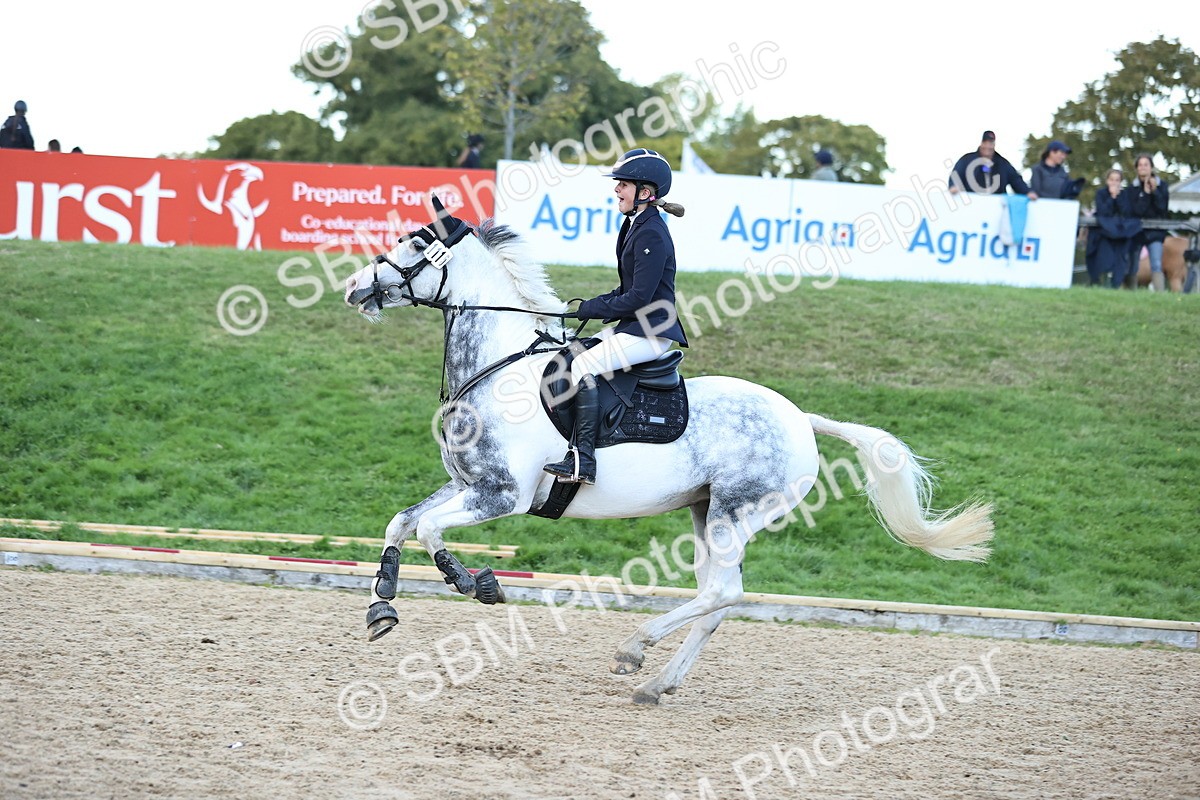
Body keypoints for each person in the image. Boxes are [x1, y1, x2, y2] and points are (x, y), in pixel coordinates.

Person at [543, 148, 688, 485]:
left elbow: (639, 297)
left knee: (584, 366)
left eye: (623, 184)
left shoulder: (651, 232)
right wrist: (591, 304)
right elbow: (628, 288)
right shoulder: (635, 224)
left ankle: (584, 460)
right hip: (634, 326)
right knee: (574, 352)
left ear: (645, 193)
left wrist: (595, 309)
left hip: (651, 331)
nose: (616, 189)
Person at [1122, 153, 1170, 291]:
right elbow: (1137, 211)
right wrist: (1145, 193)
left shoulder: (1162, 186)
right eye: (1140, 165)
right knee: (1133, 265)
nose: (1143, 167)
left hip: (1155, 232)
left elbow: (1162, 208)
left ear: (1151, 167)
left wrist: (1155, 191)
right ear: (1136, 168)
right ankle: (1130, 294)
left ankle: (1160, 295)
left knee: (1156, 263)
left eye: (1146, 164)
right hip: (1136, 232)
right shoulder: (1131, 189)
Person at [1085, 169, 1139, 287]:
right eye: (1111, 180)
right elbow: (1102, 211)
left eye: (1117, 180)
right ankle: (1098, 282)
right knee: (1103, 259)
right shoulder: (1101, 193)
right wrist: (1111, 197)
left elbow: (1126, 212)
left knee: (1120, 262)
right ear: (1107, 180)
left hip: (1121, 235)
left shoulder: (1125, 195)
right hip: (1103, 233)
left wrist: (1117, 198)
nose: (1114, 183)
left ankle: (1115, 285)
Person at [948, 130, 1037, 198]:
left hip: (996, 205)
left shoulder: (1002, 163)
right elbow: (956, 174)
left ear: (994, 145)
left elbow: (1016, 180)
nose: (988, 146)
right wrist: (954, 186)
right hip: (973, 202)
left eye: (991, 143)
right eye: (985, 143)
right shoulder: (967, 159)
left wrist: (1028, 192)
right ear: (981, 143)